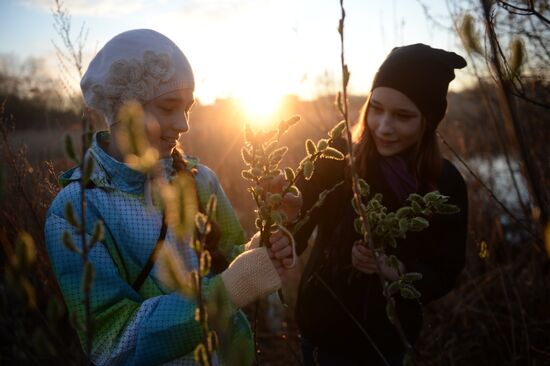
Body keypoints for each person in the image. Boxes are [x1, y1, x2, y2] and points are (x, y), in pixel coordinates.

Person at [45, 29, 296, 366]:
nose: (183, 124)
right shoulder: (77, 211)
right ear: (124, 108)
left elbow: (230, 257)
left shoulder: (200, 180)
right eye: (167, 107)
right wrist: (228, 290)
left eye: (188, 108)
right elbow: (112, 341)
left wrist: (265, 247)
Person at [290, 44, 469, 365]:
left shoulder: (445, 184)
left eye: (403, 116)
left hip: (388, 346)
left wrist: (397, 271)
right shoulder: (336, 158)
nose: (384, 127)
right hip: (322, 338)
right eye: (376, 108)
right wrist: (283, 210)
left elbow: (447, 270)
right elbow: (294, 229)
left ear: (427, 122)